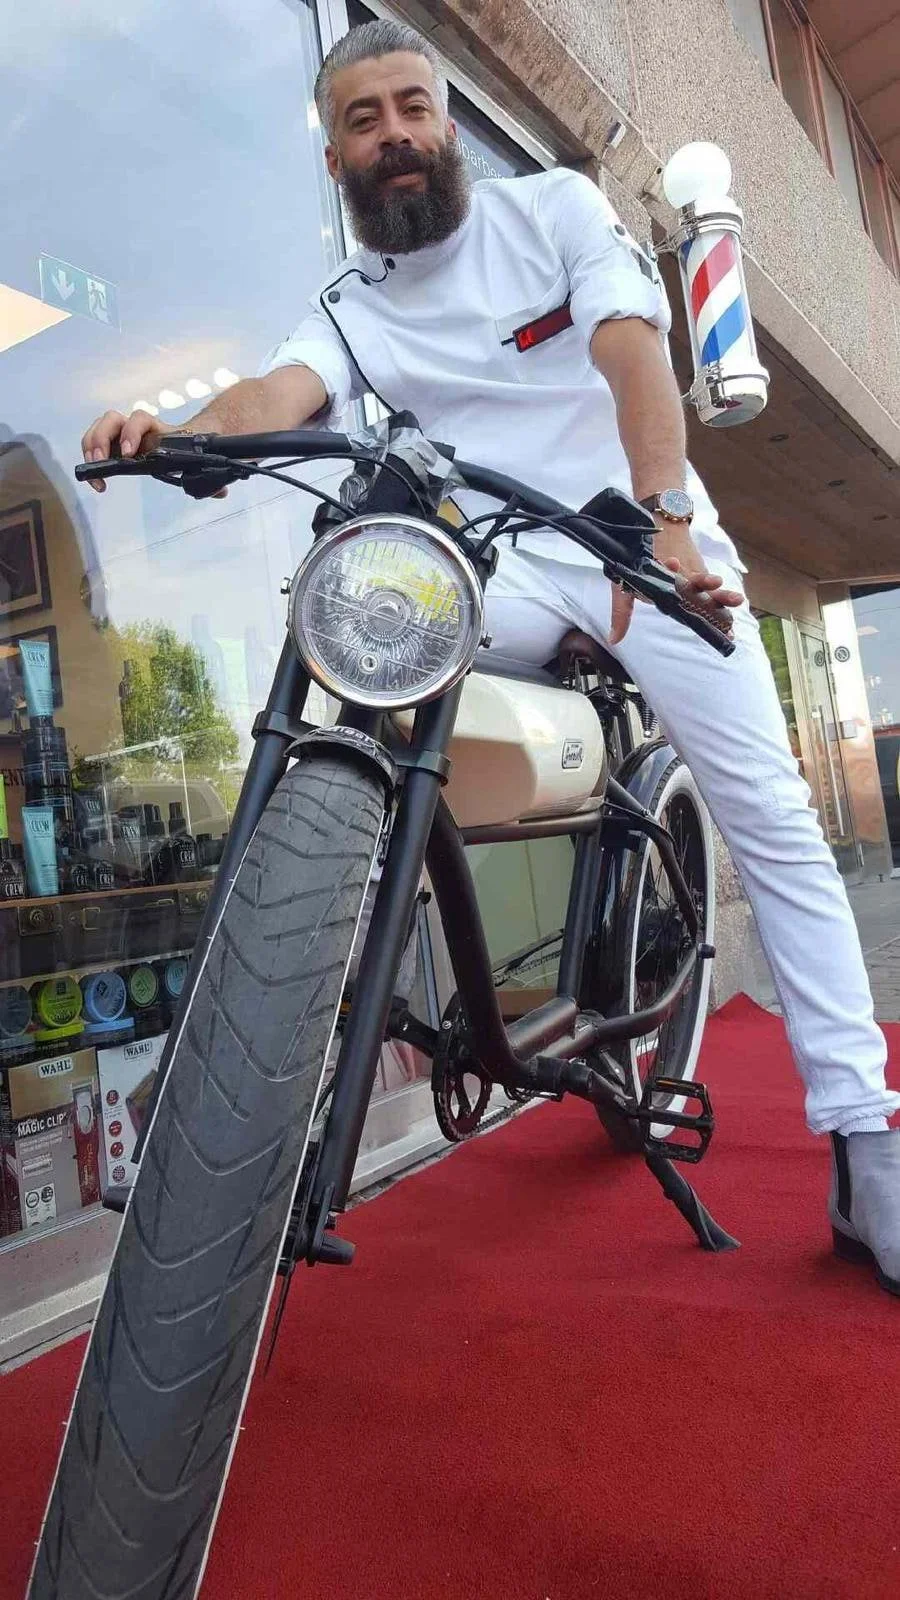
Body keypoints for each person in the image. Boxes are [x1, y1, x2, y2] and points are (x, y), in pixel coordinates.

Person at [81, 19, 899, 1295]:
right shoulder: (349, 310)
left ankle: (863, 1139)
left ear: (448, 120)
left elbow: (634, 353)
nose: (396, 133)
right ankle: (254, 1059)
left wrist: (672, 522)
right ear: (338, 151)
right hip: (497, 566)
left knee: (778, 816)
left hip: (635, 526)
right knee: (348, 664)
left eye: (414, 106)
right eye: (365, 120)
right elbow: (273, 397)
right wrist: (171, 432)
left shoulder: (553, 210)